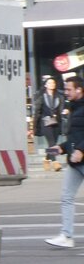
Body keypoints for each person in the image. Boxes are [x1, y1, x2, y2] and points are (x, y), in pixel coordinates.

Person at [45, 75, 84, 249]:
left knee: (67, 197)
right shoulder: (73, 108)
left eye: (69, 89)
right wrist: (61, 148)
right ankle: (66, 236)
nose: (66, 92)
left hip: (80, 157)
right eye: (65, 89)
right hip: (75, 161)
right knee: (66, 197)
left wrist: (81, 150)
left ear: (79, 90)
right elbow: (74, 137)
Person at [33, 77, 65, 172]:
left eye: (53, 83)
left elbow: (62, 109)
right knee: (52, 142)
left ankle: (46, 159)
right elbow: (37, 112)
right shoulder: (42, 97)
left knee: (53, 143)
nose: (52, 84)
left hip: (56, 122)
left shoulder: (59, 97)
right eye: (49, 83)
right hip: (45, 122)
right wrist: (35, 126)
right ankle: (55, 162)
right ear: (46, 85)